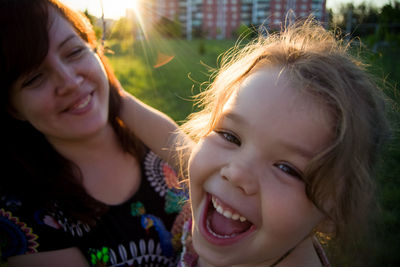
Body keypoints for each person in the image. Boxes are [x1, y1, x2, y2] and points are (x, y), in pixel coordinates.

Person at [177, 20, 390, 266]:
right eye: (230, 137)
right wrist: (123, 101)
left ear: (332, 213)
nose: (236, 173)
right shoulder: (215, 205)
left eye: (286, 169)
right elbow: (169, 137)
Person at [0, 0, 191, 266]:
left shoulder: (151, 136)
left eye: (74, 52)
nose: (69, 81)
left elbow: (208, 171)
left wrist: (114, 95)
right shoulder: (22, 214)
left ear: (97, 52)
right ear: (12, 108)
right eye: (34, 78)